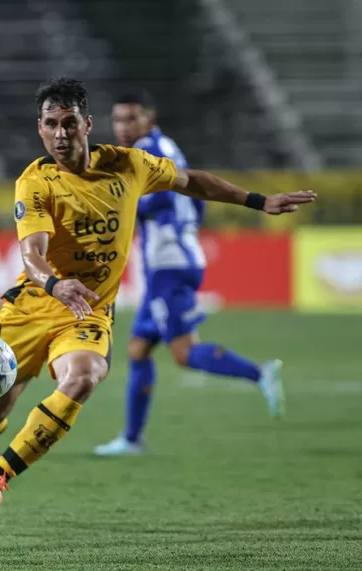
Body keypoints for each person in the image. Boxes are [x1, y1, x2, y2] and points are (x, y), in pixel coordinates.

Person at [0, 77, 316, 518]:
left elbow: (191, 181)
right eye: (52, 124)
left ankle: (0, 476)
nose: (61, 134)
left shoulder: (129, 165)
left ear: (87, 125)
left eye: (70, 123)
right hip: (31, 308)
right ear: (40, 129)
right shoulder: (35, 182)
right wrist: (54, 284)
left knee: (84, 376)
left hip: (86, 312)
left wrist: (259, 201)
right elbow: (31, 253)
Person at [94, 91, 282, 457]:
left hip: (169, 264)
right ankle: (131, 439)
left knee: (183, 351)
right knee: (137, 349)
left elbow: (163, 197)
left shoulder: (150, 149)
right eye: (118, 119)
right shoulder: (165, 147)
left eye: (131, 118)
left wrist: (119, 203)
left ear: (149, 118)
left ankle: (260, 374)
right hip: (174, 258)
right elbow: (193, 193)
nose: (122, 127)